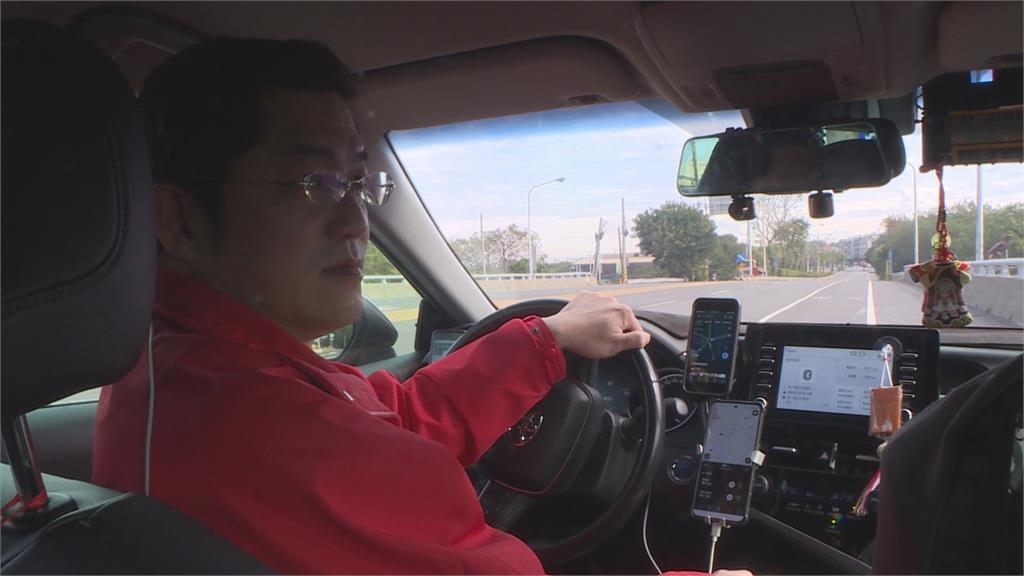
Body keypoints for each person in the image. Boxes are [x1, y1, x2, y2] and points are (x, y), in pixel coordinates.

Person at [92, 37, 748, 576]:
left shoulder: (188, 369)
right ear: (178, 219)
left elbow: (394, 419)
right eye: (313, 181)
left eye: (355, 180)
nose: (357, 223)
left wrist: (545, 339)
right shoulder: (263, 432)